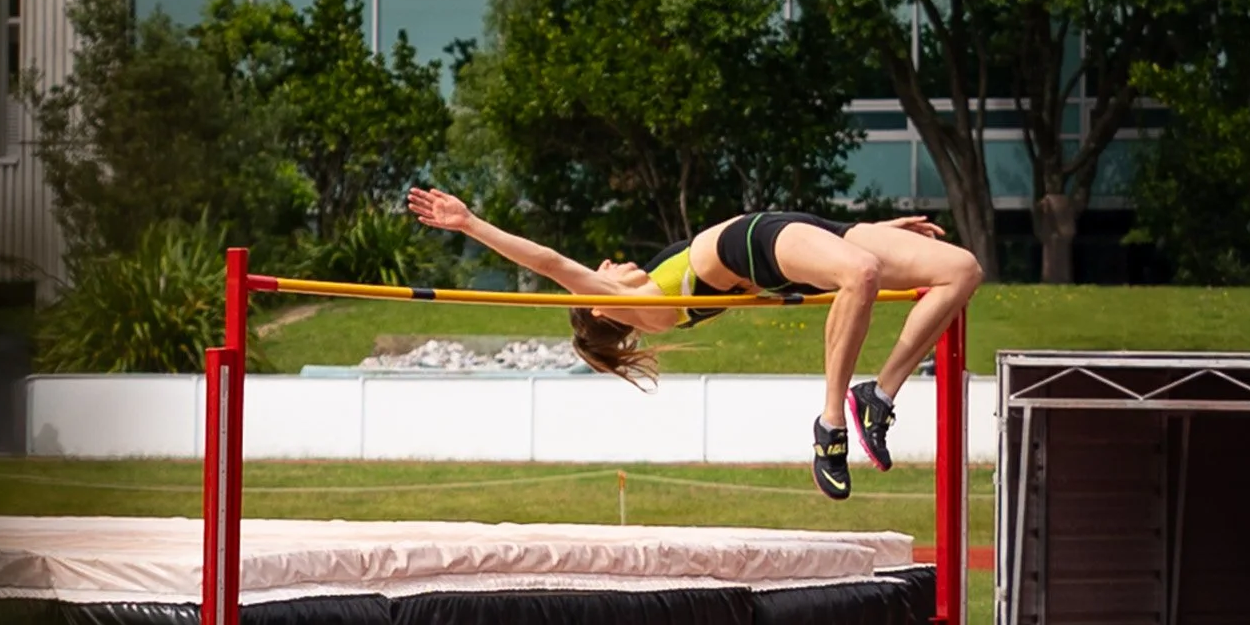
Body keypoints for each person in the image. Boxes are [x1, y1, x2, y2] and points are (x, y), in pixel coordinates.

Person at [405, 190, 982, 501]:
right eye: (601, 271)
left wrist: (876, 229)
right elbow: (550, 262)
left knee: (961, 270)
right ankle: (832, 422)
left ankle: (876, 395)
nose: (607, 263)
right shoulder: (632, 302)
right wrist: (470, 223)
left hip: (800, 232)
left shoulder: (645, 294)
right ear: (600, 306)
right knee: (861, 274)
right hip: (755, 242)